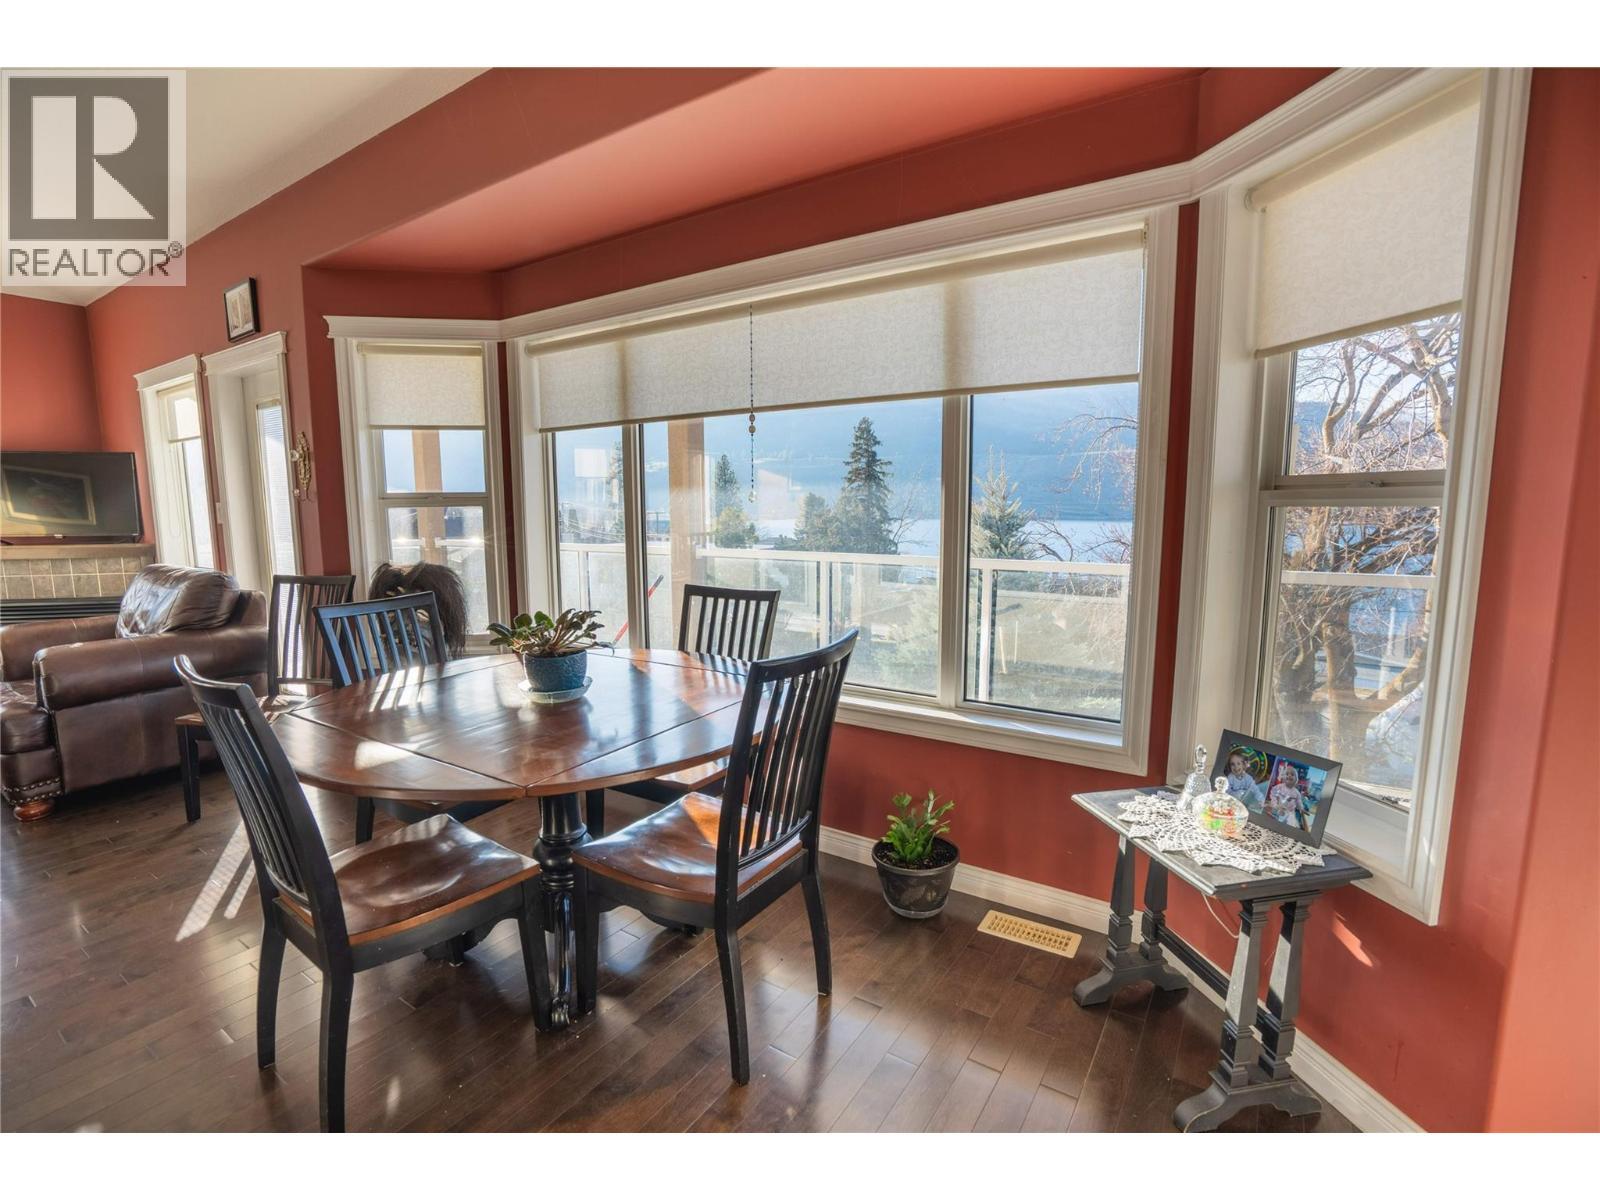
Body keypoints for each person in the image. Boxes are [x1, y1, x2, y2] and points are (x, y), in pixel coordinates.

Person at [1266, 759, 1308, 829]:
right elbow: (1273, 793)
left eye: (1292, 774)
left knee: (1290, 823)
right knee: (1273, 822)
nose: (1289, 776)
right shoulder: (1279, 786)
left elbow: (1299, 802)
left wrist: (1302, 809)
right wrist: (1274, 802)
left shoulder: (1296, 792)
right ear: (1283, 777)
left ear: (1296, 779)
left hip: (1290, 812)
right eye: (1287, 774)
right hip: (1278, 808)